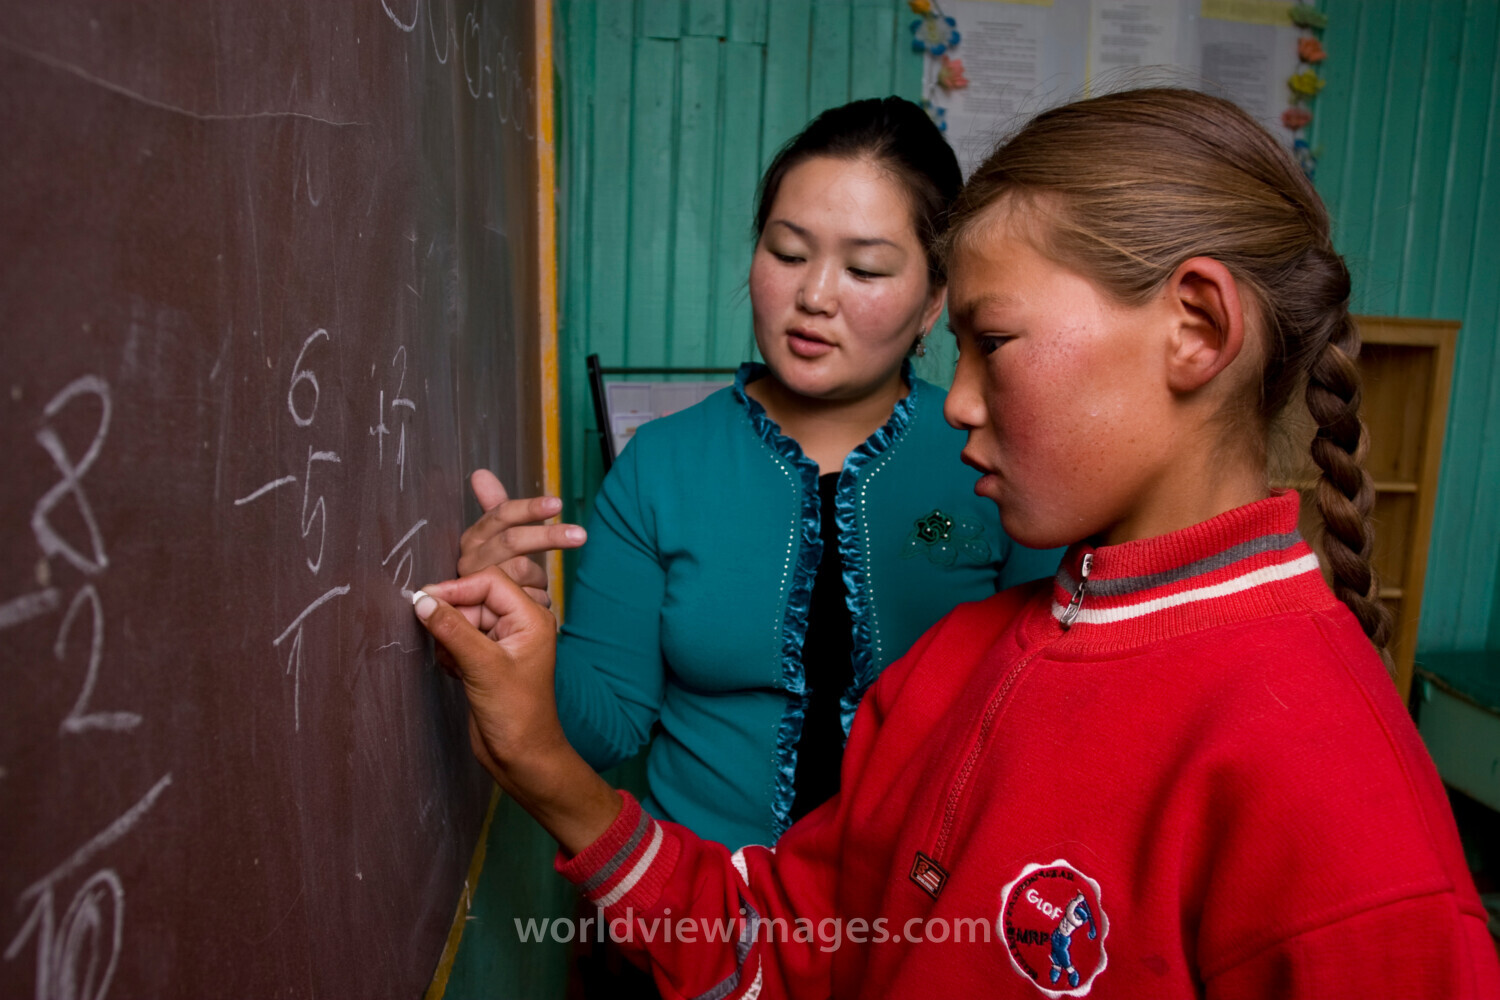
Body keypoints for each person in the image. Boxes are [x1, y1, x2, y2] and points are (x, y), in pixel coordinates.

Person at [416, 87, 1500, 997]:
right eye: (787, 250)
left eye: (993, 340)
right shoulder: (961, 668)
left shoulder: (1330, 785)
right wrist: (548, 757)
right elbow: (787, 947)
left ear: (1198, 329)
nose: (955, 402)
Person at [460, 96, 1059, 850]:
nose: (814, 296)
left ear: (934, 301)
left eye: (866, 267)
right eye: (787, 252)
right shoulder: (663, 466)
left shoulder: (996, 458)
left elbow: (1046, 717)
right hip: (705, 912)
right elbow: (601, 727)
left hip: (930, 917)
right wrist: (523, 631)